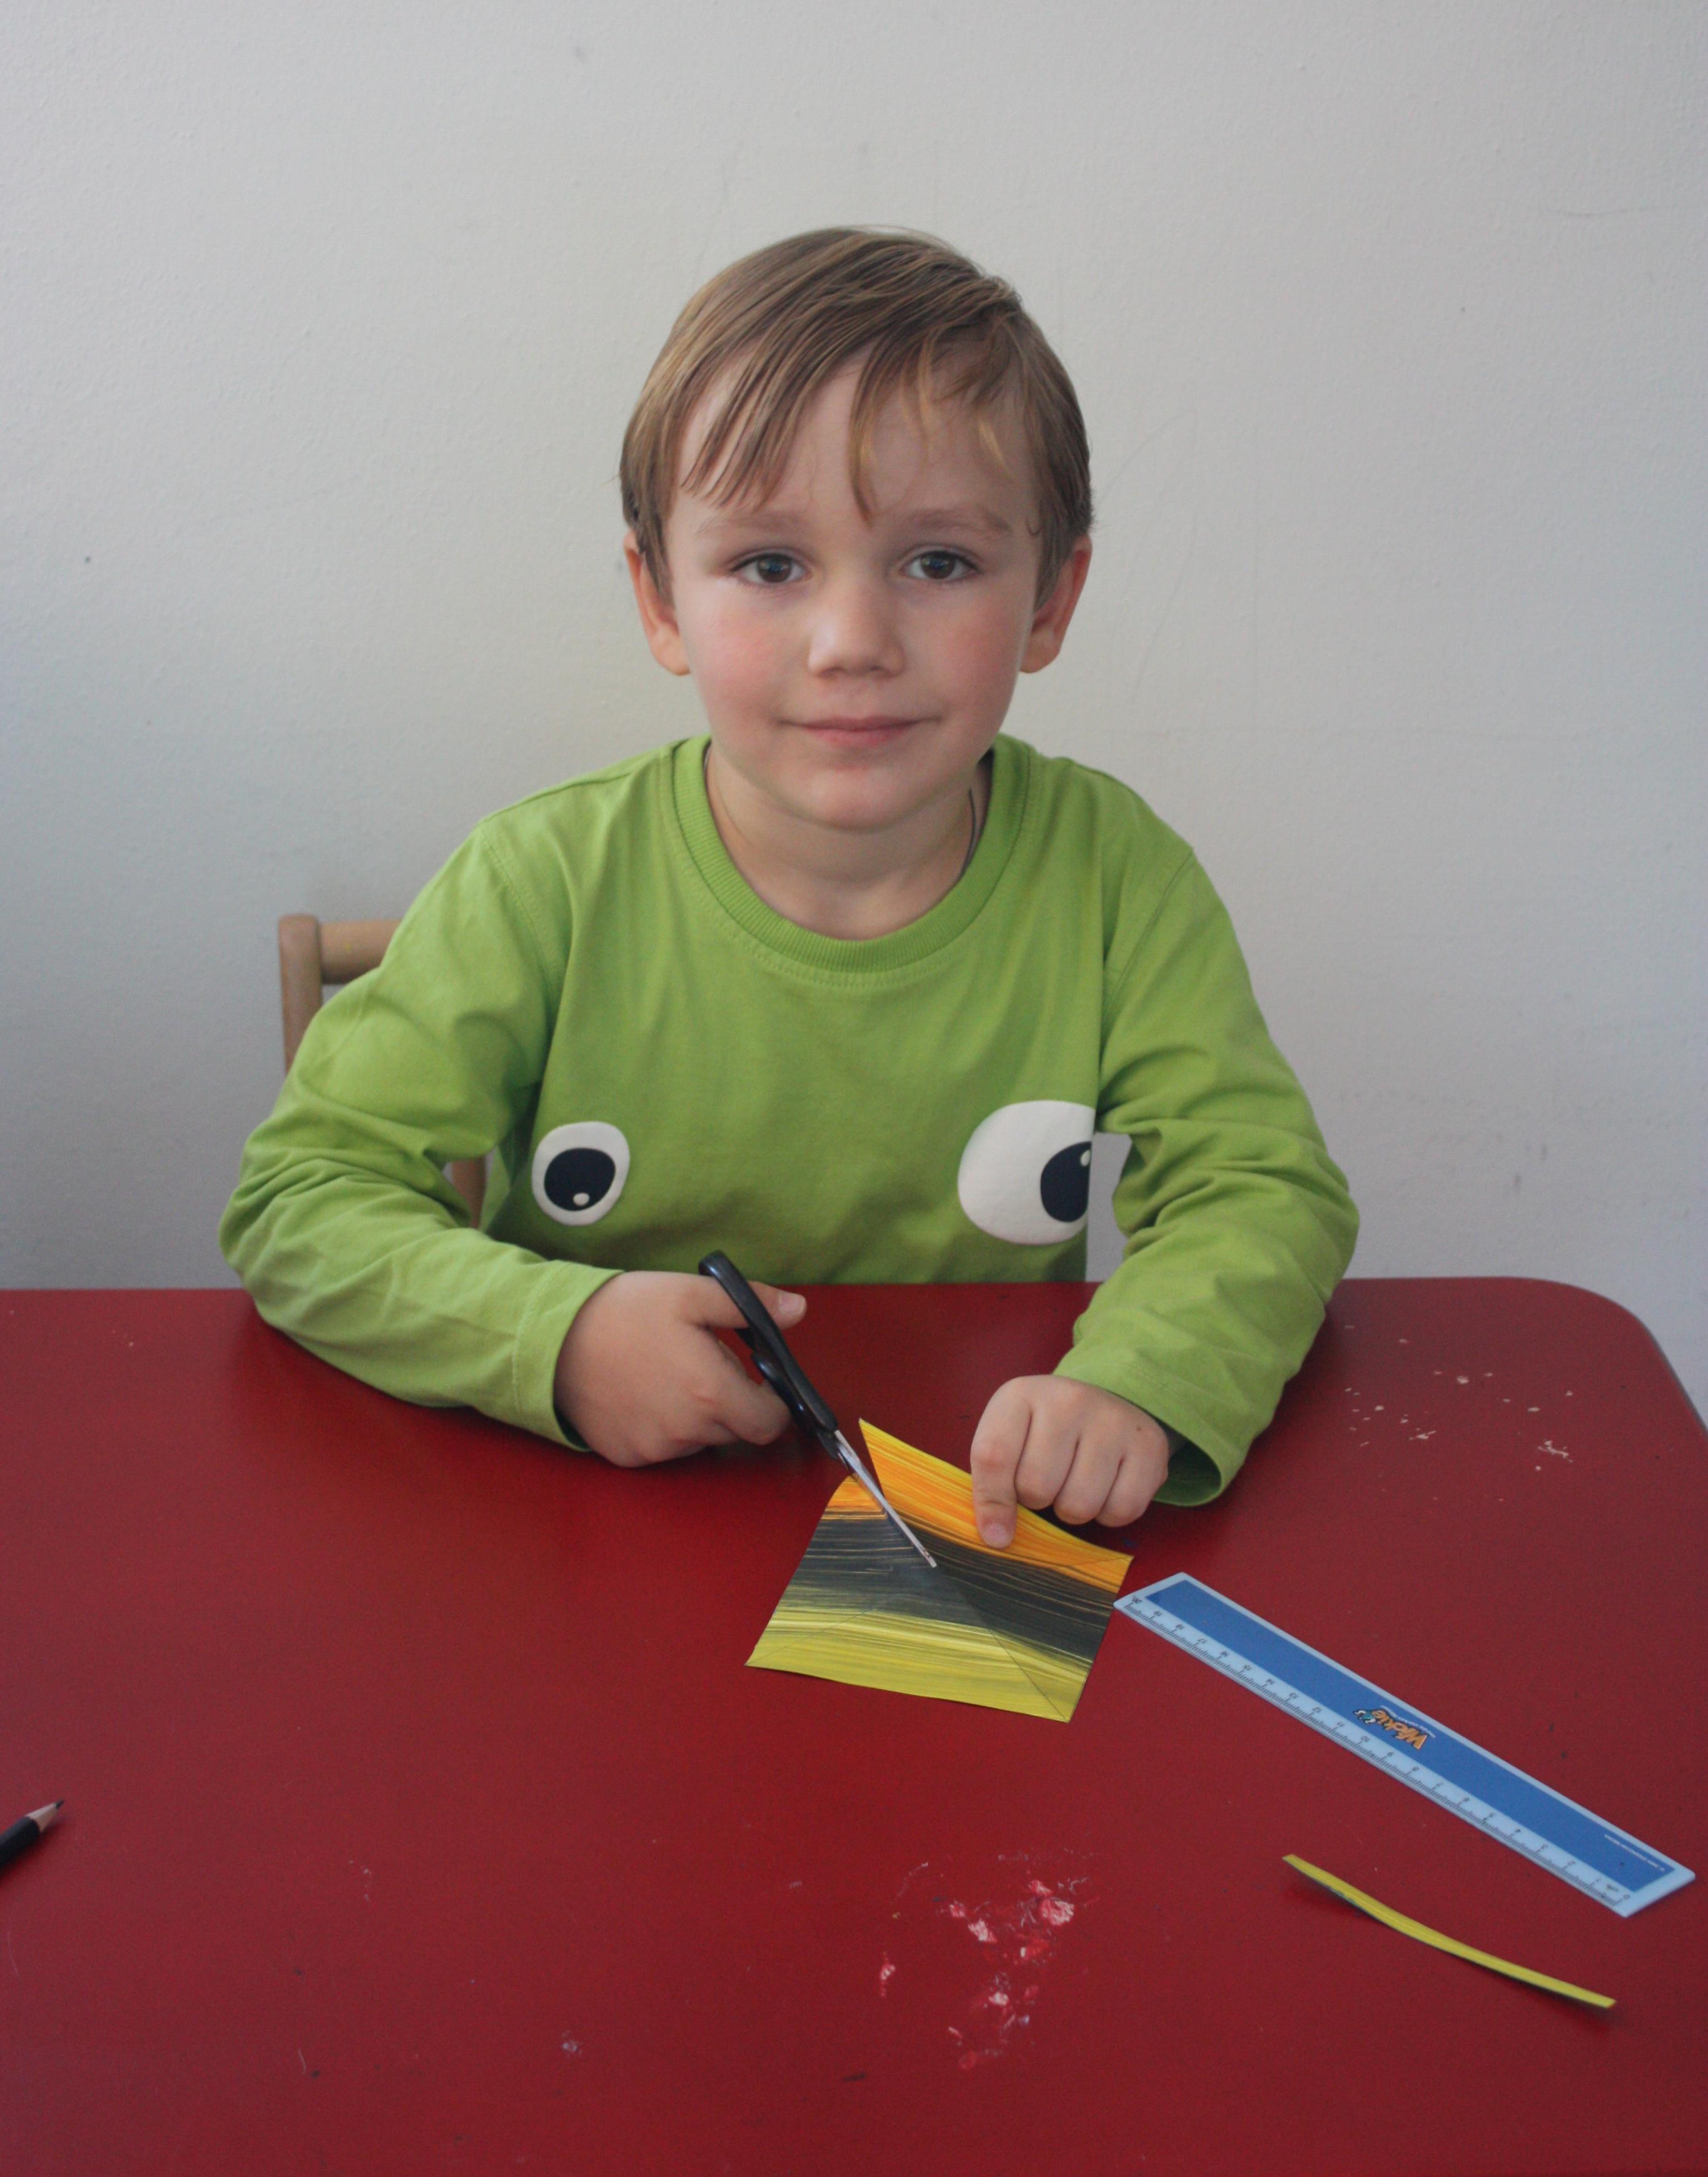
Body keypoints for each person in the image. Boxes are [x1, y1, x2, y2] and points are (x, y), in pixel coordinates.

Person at [222, 228, 1356, 1549]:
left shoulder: (1118, 878)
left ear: (1052, 598)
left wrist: (1140, 1379)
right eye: (770, 564)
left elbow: (1258, 1189)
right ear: (660, 600)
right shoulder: (540, 881)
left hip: (959, 1518)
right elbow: (301, 1197)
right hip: (574, 1528)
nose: (851, 643)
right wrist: (558, 1335)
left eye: (938, 562)